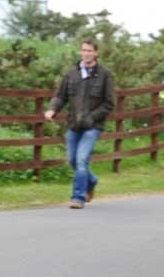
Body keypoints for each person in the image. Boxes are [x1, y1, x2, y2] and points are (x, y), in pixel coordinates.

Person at [45, 38, 115, 209]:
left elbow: (109, 103)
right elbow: (60, 96)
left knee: (82, 160)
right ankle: (92, 181)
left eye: (90, 51)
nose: (86, 53)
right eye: (84, 50)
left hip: (92, 126)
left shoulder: (105, 74)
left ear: (96, 53)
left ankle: (78, 197)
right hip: (73, 124)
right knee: (72, 160)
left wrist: (92, 117)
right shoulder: (71, 73)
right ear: (80, 52)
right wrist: (53, 109)